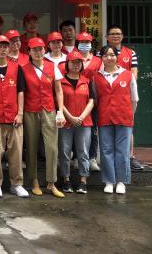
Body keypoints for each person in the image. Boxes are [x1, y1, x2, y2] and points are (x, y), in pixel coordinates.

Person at [0, 36, 29, 198]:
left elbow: (20, 91)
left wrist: (20, 113)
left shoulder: (17, 68)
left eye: (5, 47)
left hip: (14, 117)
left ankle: (17, 184)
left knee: (16, 152)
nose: (3, 49)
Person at [22, 37, 66, 197]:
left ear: (44, 50)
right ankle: (34, 181)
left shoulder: (52, 66)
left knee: (52, 147)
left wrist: (60, 111)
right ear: (29, 52)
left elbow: (58, 90)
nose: (38, 52)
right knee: (31, 146)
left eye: (40, 49)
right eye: (34, 49)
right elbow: (21, 92)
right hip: (30, 110)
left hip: (49, 109)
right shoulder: (23, 69)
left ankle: (51, 183)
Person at [94, 45, 138, 194]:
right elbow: (95, 98)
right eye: (105, 55)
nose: (109, 58)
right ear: (101, 58)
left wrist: (130, 114)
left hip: (124, 118)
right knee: (106, 150)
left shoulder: (127, 74)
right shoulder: (96, 77)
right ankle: (109, 181)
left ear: (117, 57)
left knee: (123, 150)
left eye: (112, 55)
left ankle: (121, 181)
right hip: (104, 117)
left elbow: (134, 98)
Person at [105, 24, 143, 171]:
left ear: (122, 36)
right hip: (107, 95)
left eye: (118, 34)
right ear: (107, 37)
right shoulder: (103, 52)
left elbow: (134, 73)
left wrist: (125, 88)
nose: (116, 36)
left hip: (124, 96)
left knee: (127, 126)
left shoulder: (130, 53)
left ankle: (130, 156)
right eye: (113, 34)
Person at [58, 50, 95, 194]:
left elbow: (91, 101)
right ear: (67, 64)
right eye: (73, 62)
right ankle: (66, 180)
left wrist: (81, 117)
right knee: (64, 151)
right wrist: (70, 117)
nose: (76, 65)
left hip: (84, 122)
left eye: (79, 62)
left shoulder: (87, 81)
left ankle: (83, 181)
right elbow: (58, 102)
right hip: (65, 122)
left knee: (83, 152)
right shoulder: (61, 81)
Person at [76, 31, 103, 172]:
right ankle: (76, 157)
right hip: (76, 98)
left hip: (94, 99)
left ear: (91, 44)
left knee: (93, 130)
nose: (85, 45)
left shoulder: (98, 61)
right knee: (75, 127)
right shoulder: (73, 58)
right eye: (82, 42)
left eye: (87, 42)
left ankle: (92, 157)